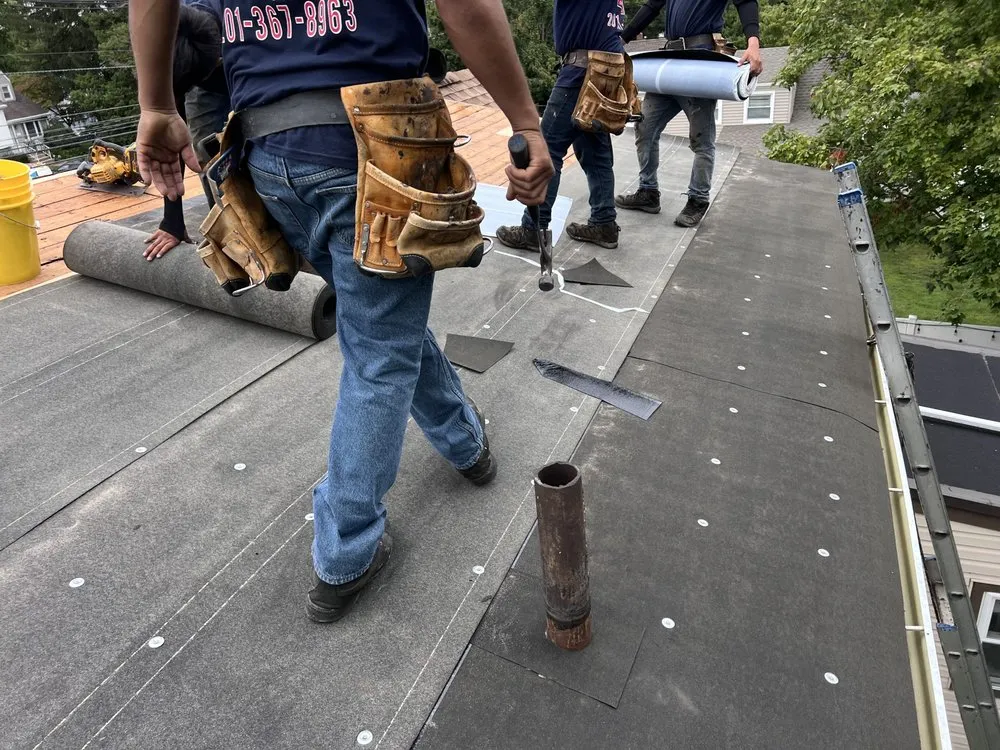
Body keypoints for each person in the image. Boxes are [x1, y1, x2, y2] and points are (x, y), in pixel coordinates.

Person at [128, 0, 553, 621]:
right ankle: (346, 552)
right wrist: (527, 123)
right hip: (375, 149)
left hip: (270, 156)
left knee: (380, 322)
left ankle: (465, 443)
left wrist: (157, 107)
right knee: (379, 354)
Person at [616, 0, 763, 227]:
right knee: (645, 126)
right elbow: (651, 7)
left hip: (699, 62)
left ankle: (698, 199)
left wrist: (753, 43)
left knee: (702, 140)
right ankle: (648, 193)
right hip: (670, 62)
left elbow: (745, 1)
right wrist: (621, 40)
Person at [495, 0, 627, 253]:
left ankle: (533, 229)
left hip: (581, 70)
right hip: (605, 70)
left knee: (548, 149)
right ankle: (604, 224)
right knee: (595, 151)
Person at [142, 1, 231, 261]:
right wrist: (173, 222)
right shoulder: (167, 35)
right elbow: (170, 138)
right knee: (207, 155)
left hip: (255, 65)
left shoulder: (245, 22)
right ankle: (226, 227)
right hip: (209, 77)